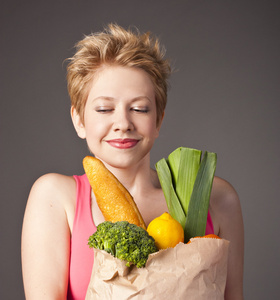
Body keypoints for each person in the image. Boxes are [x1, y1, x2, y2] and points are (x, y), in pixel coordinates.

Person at [21, 24, 244, 300]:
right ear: (79, 120)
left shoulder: (216, 197)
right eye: (104, 109)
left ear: (159, 119)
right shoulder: (55, 197)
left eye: (139, 109)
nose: (123, 124)